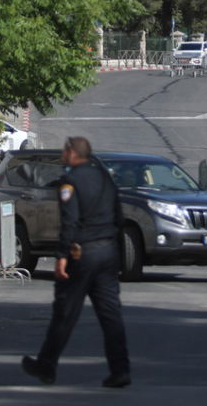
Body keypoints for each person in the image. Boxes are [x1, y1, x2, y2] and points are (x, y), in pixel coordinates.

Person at [21, 136, 130, 388]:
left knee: (65, 311)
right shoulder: (105, 178)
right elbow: (119, 216)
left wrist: (61, 256)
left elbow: (70, 221)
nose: (62, 153)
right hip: (108, 251)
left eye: (64, 150)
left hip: (83, 254)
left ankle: (46, 365)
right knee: (111, 314)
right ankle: (121, 369)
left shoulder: (70, 182)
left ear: (72, 153)